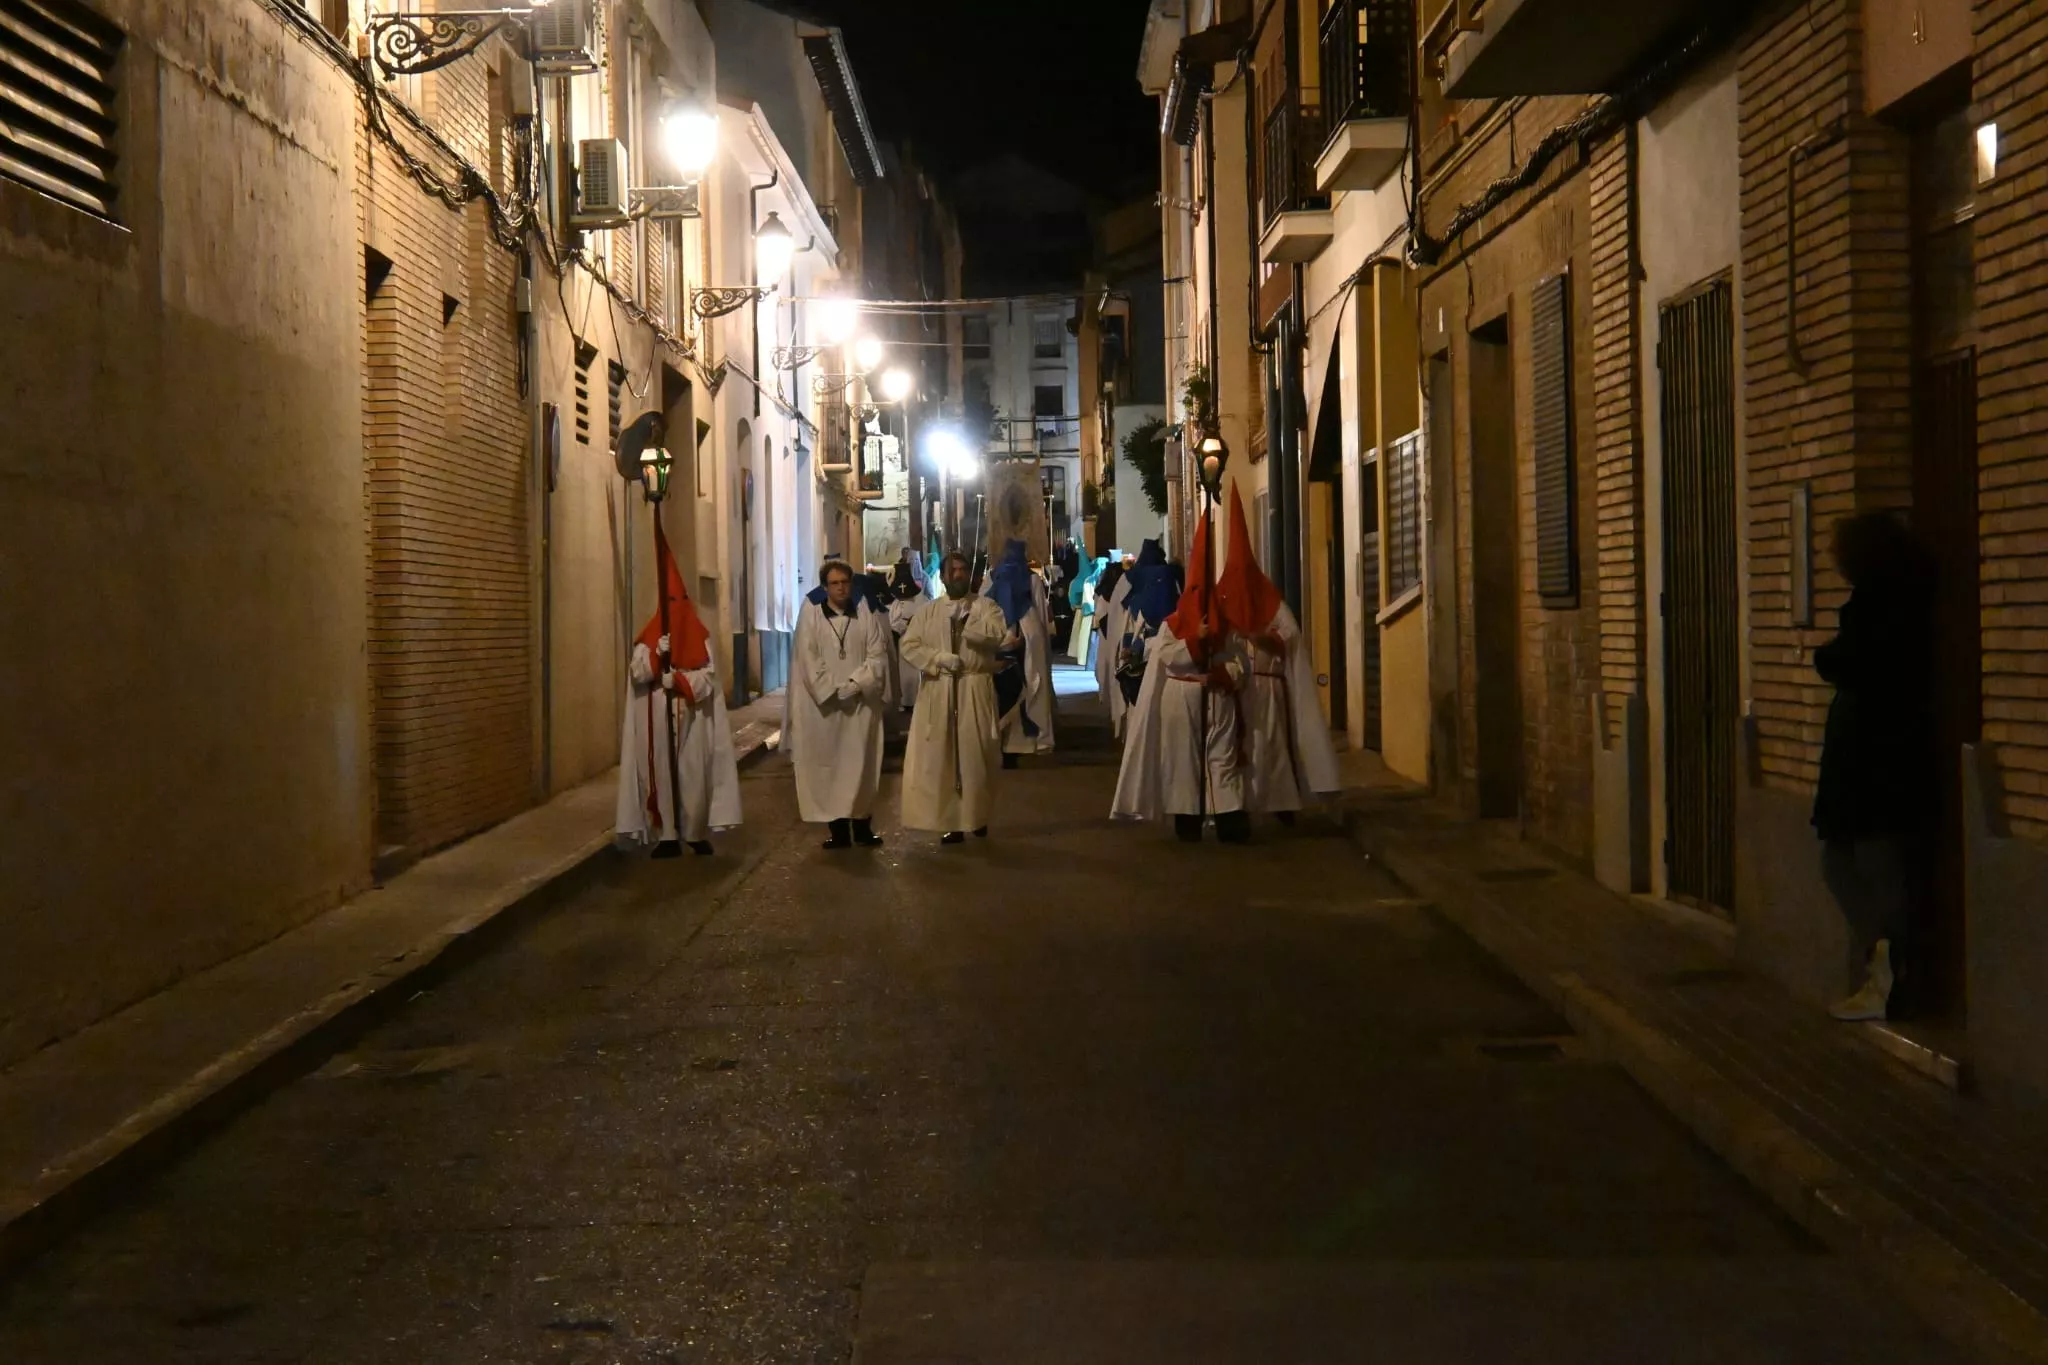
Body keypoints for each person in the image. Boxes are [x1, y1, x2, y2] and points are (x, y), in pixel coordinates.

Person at [1814, 512, 1936, 1022]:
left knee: (1866, 863)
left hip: (1873, 761)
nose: (1833, 559)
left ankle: (1889, 974)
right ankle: (1886, 969)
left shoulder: (1881, 609)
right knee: (1856, 861)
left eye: (1838, 550)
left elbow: (1852, 663)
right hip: (1871, 759)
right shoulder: (1891, 602)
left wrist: (1828, 658)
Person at [1111, 513, 1251, 843]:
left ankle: (1229, 817)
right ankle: (1188, 819)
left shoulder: (1226, 627)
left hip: (1217, 696)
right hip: (1181, 698)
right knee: (1182, 760)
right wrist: (1194, 640)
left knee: (1223, 759)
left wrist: (1223, 673)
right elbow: (1165, 656)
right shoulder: (1172, 624)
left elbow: (1240, 662)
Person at [1218, 488, 1342, 824]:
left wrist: (1252, 635)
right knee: (1238, 749)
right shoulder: (1223, 600)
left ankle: (1283, 804)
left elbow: (1287, 640)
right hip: (1237, 690)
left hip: (1269, 690)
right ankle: (1236, 808)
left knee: (1272, 749)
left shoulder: (1274, 606)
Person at [615, 542, 741, 857]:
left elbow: (709, 677)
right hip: (657, 718)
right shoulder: (648, 638)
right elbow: (637, 674)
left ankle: (694, 831)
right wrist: (657, 657)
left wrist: (682, 681)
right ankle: (667, 834)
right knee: (660, 774)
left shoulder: (701, 637)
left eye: (681, 601)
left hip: (693, 719)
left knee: (693, 775)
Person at [900, 551, 1015, 844]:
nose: (958, 575)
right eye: (953, 570)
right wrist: (937, 658)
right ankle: (953, 821)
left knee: (976, 756)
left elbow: (997, 635)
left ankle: (977, 816)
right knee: (945, 757)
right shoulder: (929, 611)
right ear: (942, 576)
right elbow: (909, 645)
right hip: (940, 689)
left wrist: (968, 625)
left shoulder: (986, 606)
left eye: (963, 569)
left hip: (974, 688)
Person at [788, 559, 890, 850]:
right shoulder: (811, 612)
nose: (841, 588)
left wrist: (857, 685)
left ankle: (862, 827)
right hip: (827, 708)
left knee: (861, 765)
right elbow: (807, 656)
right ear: (825, 587)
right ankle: (838, 831)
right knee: (830, 766)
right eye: (834, 583)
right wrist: (832, 690)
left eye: (845, 582)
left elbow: (877, 652)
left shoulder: (864, 610)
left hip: (860, 704)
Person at [987, 538, 1056, 764]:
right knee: (1026, 688)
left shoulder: (993, 576)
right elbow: (1041, 613)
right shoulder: (1031, 578)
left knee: (1004, 690)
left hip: (1000, 636)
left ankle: (1003, 742)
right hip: (1028, 635)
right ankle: (1030, 740)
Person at [1108, 539, 1182, 740]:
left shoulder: (1137, 594)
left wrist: (1129, 650)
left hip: (1145, 657)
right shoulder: (1172, 586)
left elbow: (1131, 631)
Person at [886, 563, 923, 713]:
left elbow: (898, 625)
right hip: (899, 643)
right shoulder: (896, 604)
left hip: (909, 641)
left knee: (910, 672)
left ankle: (910, 701)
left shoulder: (914, 604)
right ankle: (904, 699)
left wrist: (892, 632)